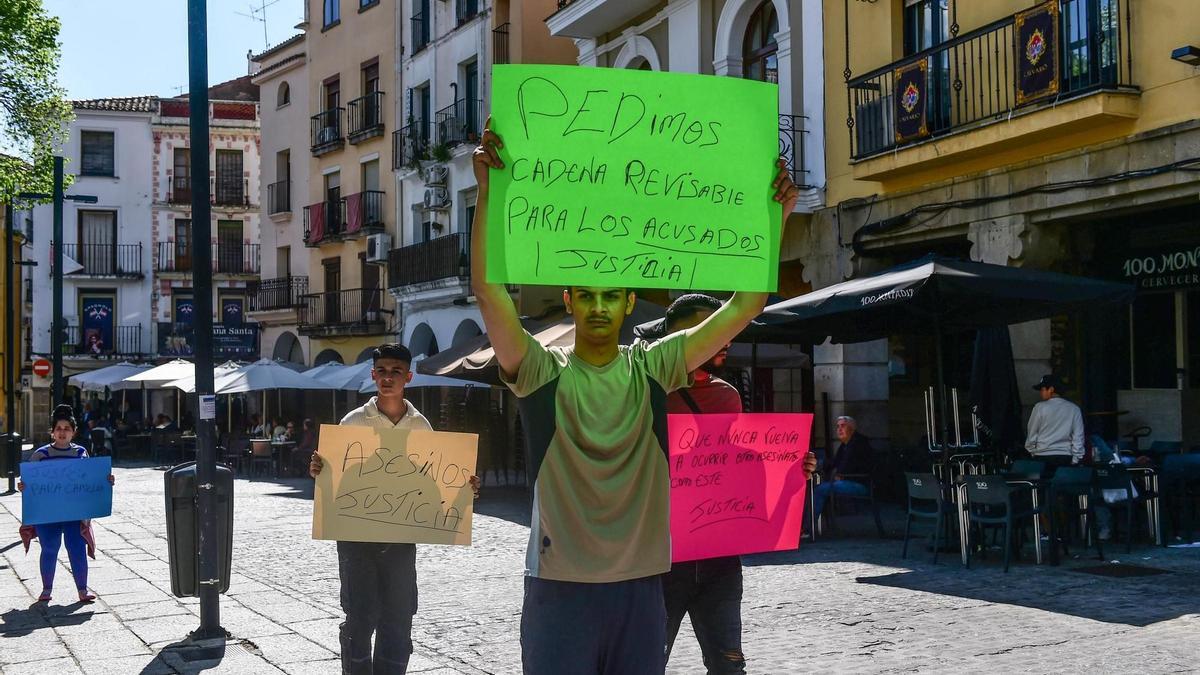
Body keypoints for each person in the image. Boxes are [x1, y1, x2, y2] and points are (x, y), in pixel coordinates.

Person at [470, 121, 801, 675]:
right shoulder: (538, 372)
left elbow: (747, 303)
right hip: (559, 589)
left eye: (613, 296)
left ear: (629, 303)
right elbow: (487, 289)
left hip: (642, 589)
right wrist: (486, 193)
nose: (600, 307)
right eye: (589, 295)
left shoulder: (653, 368)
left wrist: (774, 218)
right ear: (571, 300)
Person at [657, 294, 816, 674]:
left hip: (720, 560)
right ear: (676, 338)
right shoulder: (644, 393)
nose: (723, 338)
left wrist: (793, 473)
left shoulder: (727, 397)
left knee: (729, 665)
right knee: (645, 662)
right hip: (659, 560)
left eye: (726, 328)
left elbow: (730, 470)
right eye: (709, 330)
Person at [309, 344, 480, 675]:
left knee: (399, 618)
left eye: (396, 371)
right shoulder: (353, 422)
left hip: (402, 539)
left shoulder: (421, 427)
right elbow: (334, 476)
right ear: (373, 375)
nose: (388, 378)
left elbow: (436, 483)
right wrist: (319, 470)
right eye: (382, 371)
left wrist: (464, 488)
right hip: (356, 537)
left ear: (408, 377)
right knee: (360, 617)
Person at [17, 405, 115, 603]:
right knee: (50, 548)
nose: (62, 432)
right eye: (58, 428)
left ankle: (82, 589)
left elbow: (89, 481)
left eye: (66, 428)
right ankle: (46, 590)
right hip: (47, 513)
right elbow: (30, 482)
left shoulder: (81, 453)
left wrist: (106, 481)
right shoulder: (40, 455)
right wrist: (23, 485)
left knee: (76, 547)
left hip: (74, 512)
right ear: (52, 432)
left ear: (73, 431)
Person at [811, 416, 875, 522]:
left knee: (819, 490)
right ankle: (810, 525)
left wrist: (839, 474)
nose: (839, 429)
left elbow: (848, 465)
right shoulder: (846, 444)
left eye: (843, 426)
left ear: (852, 428)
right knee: (819, 486)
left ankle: (808, 527)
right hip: (849, 480)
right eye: (838, 427)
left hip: (860, 484)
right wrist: (819, 464)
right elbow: (835, 462)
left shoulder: (858, 443)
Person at [1024, 374, 1084, 473]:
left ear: (1051, 389)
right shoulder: (1074, 409)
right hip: (1065, 457)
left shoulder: (1039, 408)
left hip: (1042, 457)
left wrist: (1033, 452)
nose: (1041, 393)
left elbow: (1032, 434)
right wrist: (1075, 459)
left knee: (1043, 486)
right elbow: (1078, 437)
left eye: (1042, 389)